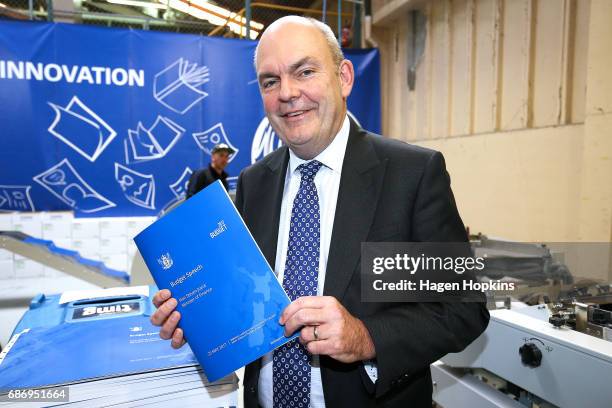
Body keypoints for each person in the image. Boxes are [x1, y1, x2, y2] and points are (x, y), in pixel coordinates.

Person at [151, 16, 489, 407]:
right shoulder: (253, 183)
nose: (288, 94)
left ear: (344, 77)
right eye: (270, 81)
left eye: (305, 71)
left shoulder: (409, 176)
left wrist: (365, 336)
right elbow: (245, 301)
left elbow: (460, 311)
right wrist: (196, 317)